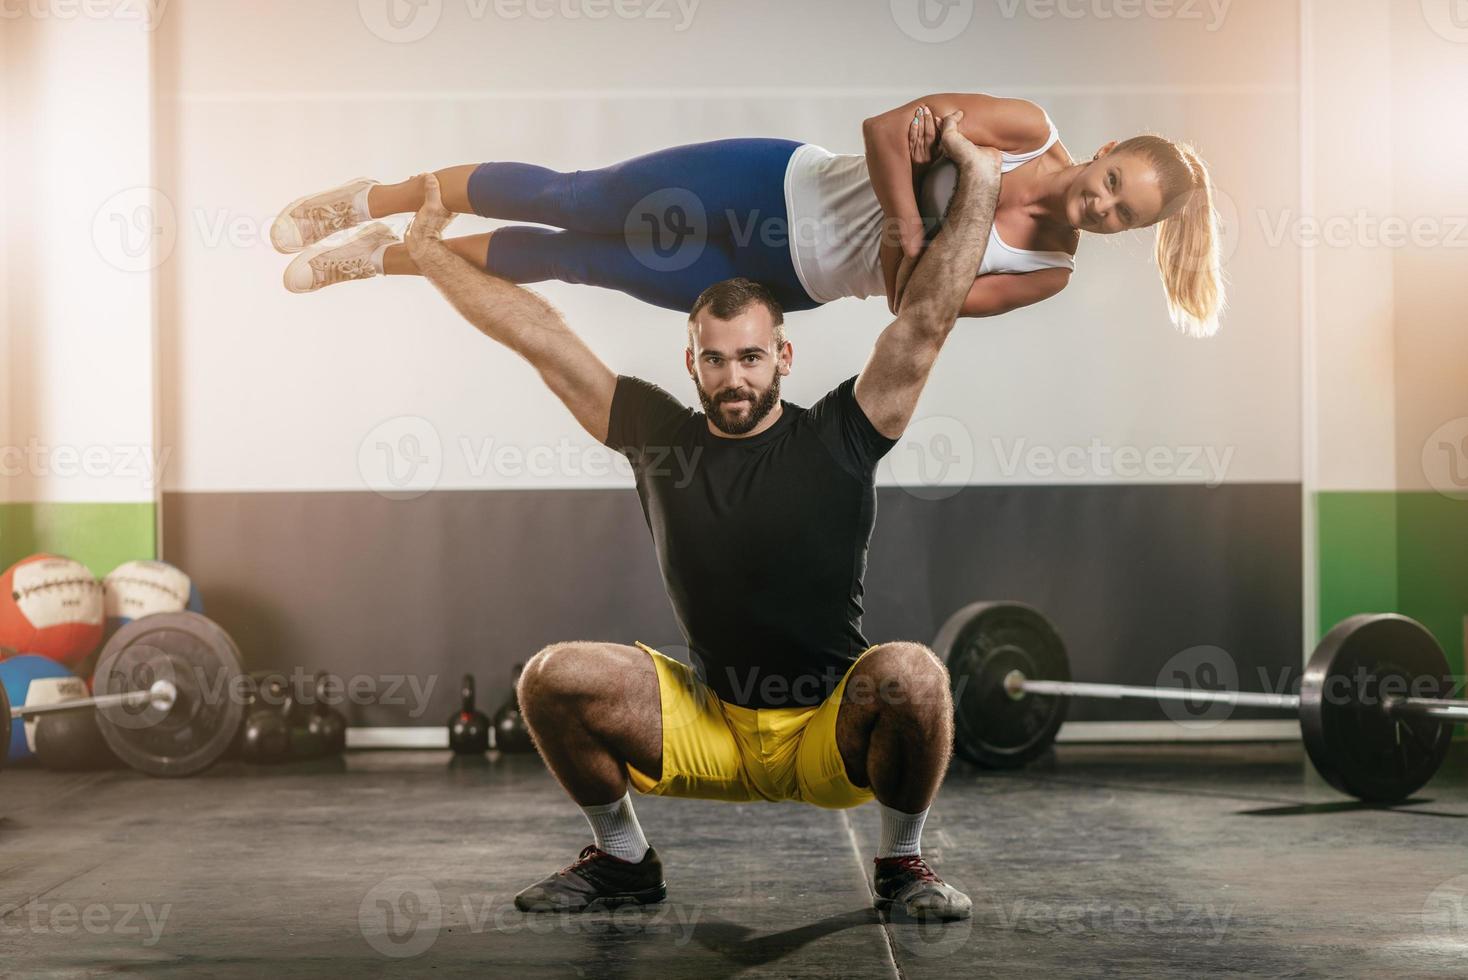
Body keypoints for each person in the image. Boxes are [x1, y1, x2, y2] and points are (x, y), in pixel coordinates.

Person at [400, 116, 1001, 919]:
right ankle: (622, 861)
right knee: (552, 678)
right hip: (708, 724)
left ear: (782, 356)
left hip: (826, 727)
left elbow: (925, 321)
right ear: (692, 361)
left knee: (914, 677)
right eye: (714, 359)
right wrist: (428, 257)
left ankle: (901, 865)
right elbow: (538, 335)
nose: (733, 377)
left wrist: (983, 185)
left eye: (750, 356)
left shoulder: (842, 436)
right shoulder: (657, 435)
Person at [273, 93, 1226, 336]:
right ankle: (375, 199)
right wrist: (917, 239)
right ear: (1103, 154)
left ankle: (387, 257)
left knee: (579, 263)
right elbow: (883, 128)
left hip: (787, 284)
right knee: (577, 200)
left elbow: (914, 316)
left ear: (1130, 235)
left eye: (1121, 218)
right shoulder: (1025, 129)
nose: (1100, 207)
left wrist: (911, 216)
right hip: (772, 185)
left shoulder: (1046, 276)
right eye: (1113, 185)